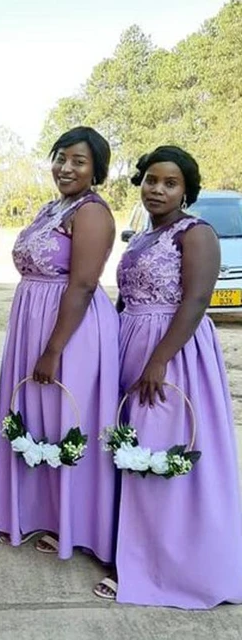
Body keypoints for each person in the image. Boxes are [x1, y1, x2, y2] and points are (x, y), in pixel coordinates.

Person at [94, 146, 242, 608]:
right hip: (129, 341)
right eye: (151, 180)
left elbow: (196, 302)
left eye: (170, 183)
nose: (157, 189)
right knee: (126, 447)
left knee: (157, 451)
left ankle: (156, 564)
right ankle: (125, 548)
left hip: (173, 353)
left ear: (186, 190)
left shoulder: (196, 233)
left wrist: (158, 360)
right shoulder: (139, 236)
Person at [0, 126, 119, 564]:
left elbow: (83, 284)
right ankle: (45, 513)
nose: (66, 167)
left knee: (70, 418)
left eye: (78, 161)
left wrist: (53, 349)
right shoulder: (53, 208)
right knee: (39, 418)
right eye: (61, 157)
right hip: (34, 318)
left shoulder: (91, 212)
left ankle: (77, 525)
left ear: (96, 170)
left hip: (70, 328)